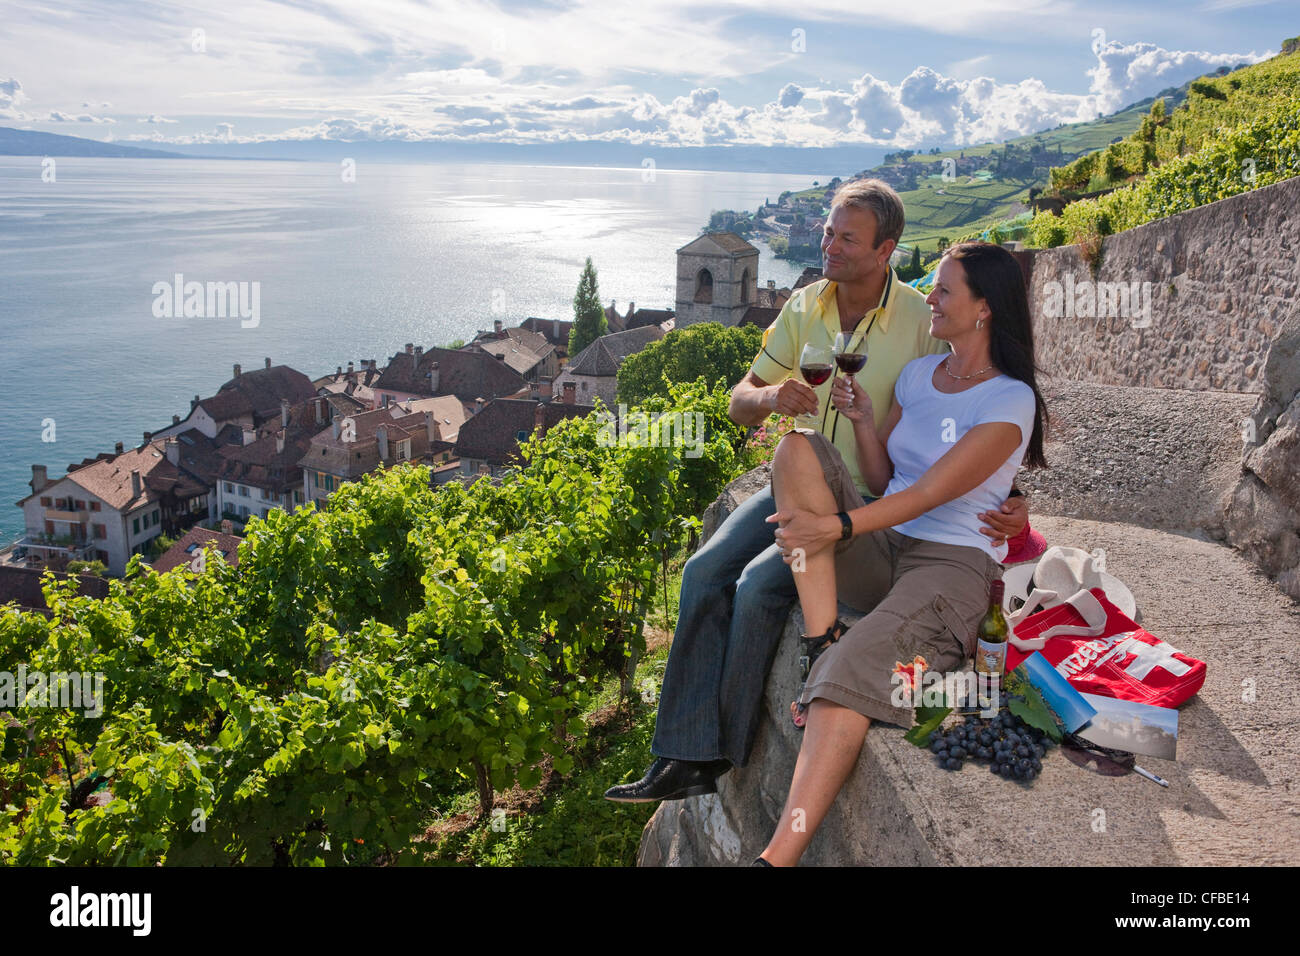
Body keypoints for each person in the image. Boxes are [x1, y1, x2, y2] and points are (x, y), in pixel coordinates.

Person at [604, 181, 1030, 804]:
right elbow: (737, 401)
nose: (828, 244)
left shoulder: (923, 320)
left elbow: (978, 397)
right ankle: (679, 755)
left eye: (845, 237)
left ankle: (725, 753)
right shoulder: (805, 304)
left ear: (886, 249)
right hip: (800, 480)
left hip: (869, 508)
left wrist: (1015, 497)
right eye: (828, 231)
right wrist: (773, 396)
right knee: (703, 570)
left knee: (754, 588)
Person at [754, 241, 1049, 865]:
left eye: (944, 290)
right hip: (888, 546)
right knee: (795, 452)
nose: (931, 298)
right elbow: (885, 474)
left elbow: (931, 493)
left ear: (985, 308)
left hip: (951, 565)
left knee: (846, 680)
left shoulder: (1009, 399)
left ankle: (773, 859)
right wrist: (864, 421)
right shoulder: (921, 376)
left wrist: (834, 528)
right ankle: (821, 637)